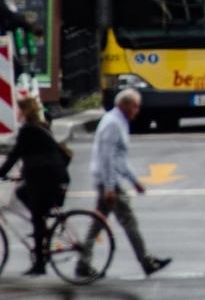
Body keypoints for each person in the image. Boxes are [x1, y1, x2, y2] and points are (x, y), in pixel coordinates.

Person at [78, 89, 172, 278]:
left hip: (105, 179)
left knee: (98, 222)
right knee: (128, 220)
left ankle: (83, 263)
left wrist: (134, 180)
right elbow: (108, 158)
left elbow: (120, 158)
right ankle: (146, 261)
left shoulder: (118, 121)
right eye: (135, 106)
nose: (138, 110)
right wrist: (110, 187)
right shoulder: (113, 123)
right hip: (107, 180)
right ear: (125, 105)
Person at [0, 97, 69, 275]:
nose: (17, 113)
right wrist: (23, 173)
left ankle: (40, 264)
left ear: (24, 112)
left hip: (44, 178)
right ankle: (43, 224)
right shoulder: (42, 127)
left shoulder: (27, 131)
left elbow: (14, 155)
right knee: (23, 192)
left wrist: (1, 173)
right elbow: (40, 153)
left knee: (37, 218)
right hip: (54, 174)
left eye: (19, 110)